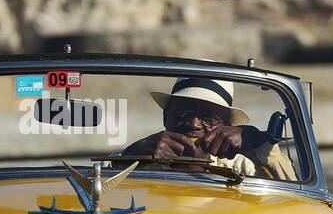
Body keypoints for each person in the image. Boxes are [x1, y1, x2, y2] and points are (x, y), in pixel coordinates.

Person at [123, 76, 296, 180]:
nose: (194, 124)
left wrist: (258, 144)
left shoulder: (243, 169)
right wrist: (128, 158)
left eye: (208, 117)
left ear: (226, 126)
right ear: (166, 116)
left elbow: (295, 202)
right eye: (183, 113)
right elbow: (99, 191)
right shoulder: (136, 161)